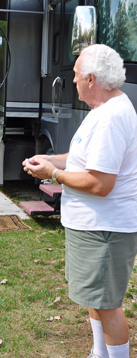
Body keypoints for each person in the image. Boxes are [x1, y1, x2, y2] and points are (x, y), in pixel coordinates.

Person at [22, 44, 137, 358]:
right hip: (93, 227)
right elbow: (84, 159)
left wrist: (53, 175)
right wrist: (53, 160)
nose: (71, 81)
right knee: (95, 299)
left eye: (75, 76)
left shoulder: (111, 117)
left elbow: (100, 183)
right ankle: (99, 353)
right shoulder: (103, 111)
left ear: (91, 79)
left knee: (108, 305)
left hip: (105, 229)